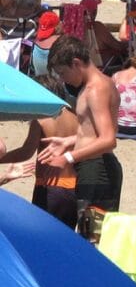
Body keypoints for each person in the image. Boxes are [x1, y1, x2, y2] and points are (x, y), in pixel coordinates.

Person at [38, 36, 122, 213]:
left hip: (97, 169)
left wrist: (67, 158)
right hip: (95, 168)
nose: (63, 80)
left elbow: (109, 140)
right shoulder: (98, 84)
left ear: (76, 63)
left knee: (91, 227)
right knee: (88, 226)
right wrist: (69, 141)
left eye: (63, 73)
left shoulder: (96, 89)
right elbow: (100, 131)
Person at [0, 74, 81, 227]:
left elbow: (26, 152)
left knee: (42, 231)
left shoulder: (41, 119)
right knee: (65, 233)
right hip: (73, 186)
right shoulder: (75, 116)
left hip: (49, 186)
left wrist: (1, 158)